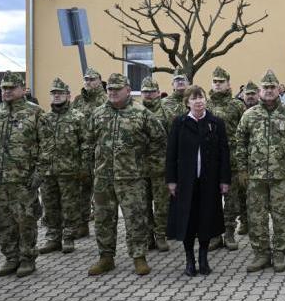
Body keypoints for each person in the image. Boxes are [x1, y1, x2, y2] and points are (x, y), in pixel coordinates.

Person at [85, 73, 167, 276]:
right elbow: (88, 142)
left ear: (128, 90)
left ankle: (139, 257)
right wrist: (90, 168)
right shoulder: (98, 113)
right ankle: (106, 257)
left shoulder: (142, 113)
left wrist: (148, 166)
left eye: (117, 89)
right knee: (103, 219)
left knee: (135, 218)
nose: (112, 92)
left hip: (132, 178)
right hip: (104, 177)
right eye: (110, 89)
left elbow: (160, 141)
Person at [0, 71, 43, 277]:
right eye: (4, 88)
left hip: (24, 181)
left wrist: (39, 172)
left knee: (26, 221)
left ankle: (27, 259)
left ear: (22, 89)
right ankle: (10, 258)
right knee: (3, 221)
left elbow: (47, 146)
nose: (6, 91)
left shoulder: (35, 113)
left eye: (11, 88)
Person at [236, 70, 285, 273]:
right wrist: (241, 168)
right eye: (265, 87)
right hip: (255, 176)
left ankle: (280, 254)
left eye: (272, 87)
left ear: (278, 89)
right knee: (256, 217)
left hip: (281, 176)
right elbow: (240, 142)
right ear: (260, 90)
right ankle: (261, 254)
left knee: (281, 216)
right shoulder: (249, 115)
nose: (268, 91)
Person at [166, 85, 231, 276]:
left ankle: (203, 259)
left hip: (208, 182)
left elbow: (224, 153)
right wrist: (171, 180)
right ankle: (189, 260)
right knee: (187, 221)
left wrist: (224, 180)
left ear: (206, 100)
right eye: (193, 98)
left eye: (201, 97)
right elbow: (171, 153)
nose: (198, 101)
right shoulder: (179, 123)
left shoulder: (216, 123)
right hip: (185, 182)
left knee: (205, 220)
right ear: (187, 102)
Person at [38, 78, 88, 256]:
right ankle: (53, 238)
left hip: (70, 171)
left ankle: (68, 238)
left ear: (68, 95)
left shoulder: (77, 117)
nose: (56, 96)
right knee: (50, 206)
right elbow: (38, 144)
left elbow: (86, 144)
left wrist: (83, 168)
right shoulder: (44, 118)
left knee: (69, 205)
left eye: (60, 93)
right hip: (48, 172)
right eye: (54, 93)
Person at [206, 67, 247, 251]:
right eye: (215, 81)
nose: (217, 84)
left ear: (228, 83)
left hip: (232, 160)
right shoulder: (205, 105)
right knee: (212, 199)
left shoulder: (237, 105)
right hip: (210, 161)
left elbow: (244, 133)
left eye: (221, 81)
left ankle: (229, 232)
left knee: (232, 200)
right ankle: (215, 234)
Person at [140, 76, 175, 252]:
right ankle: (148, 237)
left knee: (162, 205)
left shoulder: (167, 113)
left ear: (158, 92)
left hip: (161, 167)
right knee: (143, 205)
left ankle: (161, 235)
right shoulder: (135, 111)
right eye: (145, 91)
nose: (148, 95)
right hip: (139, 169)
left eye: (152, 91)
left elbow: (174, 141)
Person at [72, 67, 107, 239]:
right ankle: (82, 225)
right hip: (82, 152)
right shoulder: (78, 101)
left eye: (92, 79)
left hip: (100, 152)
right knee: (81, 190)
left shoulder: (106, 99)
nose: (88, 82)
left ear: (100, 81)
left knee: (101, 191)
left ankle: (103, 227)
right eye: (86, 79)